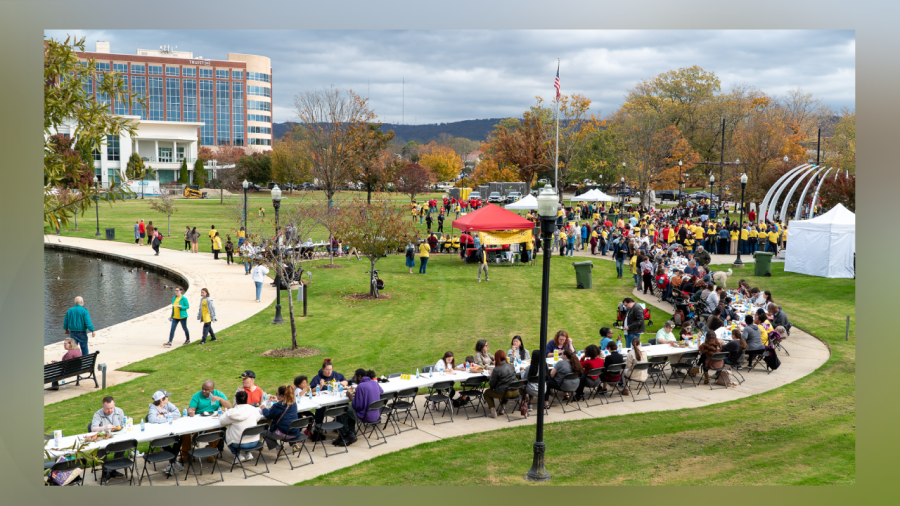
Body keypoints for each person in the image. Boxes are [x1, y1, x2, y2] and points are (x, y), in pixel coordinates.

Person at [337, 368, 383, 446]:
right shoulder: (374, 383)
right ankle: (351, 432)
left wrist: (351, 398)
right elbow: (381, 391)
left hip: (366, 416)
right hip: (377, 415)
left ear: (359, 377)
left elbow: (356, 406)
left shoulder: (361, 386)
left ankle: (345, 435)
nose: (354, 379)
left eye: (355, 377)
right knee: (349, 410)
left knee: (343, 410)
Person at [218, 390, 263, 464]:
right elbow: (258, 418)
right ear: (247, 399)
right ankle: (248, 453)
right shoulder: (253, 409)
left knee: (224, 433)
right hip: (254, 441)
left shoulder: (231, 412)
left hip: (239, 443)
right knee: (244, 431)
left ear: (236, 401)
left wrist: (225, 413)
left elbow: (222, 421)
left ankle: (238, 455)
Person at [90, 396, 128, 483]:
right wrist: (105, 427)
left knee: (124, 444)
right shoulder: (98, 414)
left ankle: (113, 468)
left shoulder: (119, 411)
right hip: (104, 440)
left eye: (111, 408)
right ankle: (105, 471)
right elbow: (93, 429)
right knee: (100, 449)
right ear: (103, 406)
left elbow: (123, 424)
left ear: (114, 404)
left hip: (117, 438)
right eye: (107, 409)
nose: (110, 410)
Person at [262, 385, 300, 453]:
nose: (276, 395)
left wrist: (263, 408)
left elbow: (268, 415)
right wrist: (277, 400)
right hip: (295, 432)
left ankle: (279, 447)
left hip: (283, 433)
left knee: (263, 432)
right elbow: (284, 405)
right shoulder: (293, 403)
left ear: (282, 395)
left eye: (277, 394)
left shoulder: (277, 406)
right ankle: (293, 443)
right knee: (288, 424)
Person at [484, 350, 518, 418]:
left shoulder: (497, 369)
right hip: (516, 391)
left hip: (505, 393)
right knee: (507, 387)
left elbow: (491, 384)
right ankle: (502, 407)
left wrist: (491, 375)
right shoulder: (511, 366)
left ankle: (493, 411)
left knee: (487, 393)